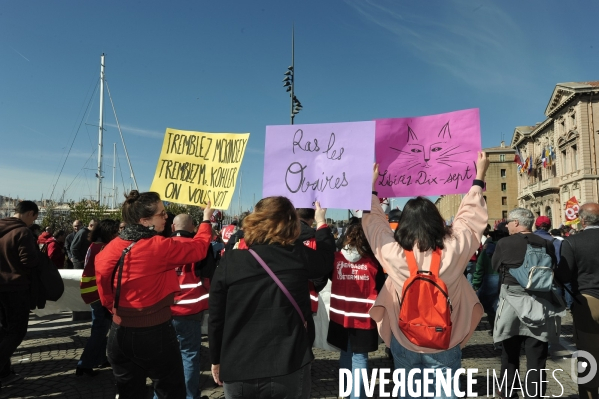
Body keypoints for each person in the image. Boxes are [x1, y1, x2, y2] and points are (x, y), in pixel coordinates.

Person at [362, 152, 490, 399]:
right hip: (444, 338)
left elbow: (374, 225)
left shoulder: (394, 253)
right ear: (437, 221)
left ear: (404, 224)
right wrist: (478, 178)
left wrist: (372, 189)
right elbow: (470, 219)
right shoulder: (454, 248)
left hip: (405, 337)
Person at [209, 197, 335, 398]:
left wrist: (216, 358)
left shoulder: (230, 261)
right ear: (291, 224)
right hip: (288, 364)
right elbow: (326, 260)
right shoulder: (297, 255)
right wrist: (321, 223)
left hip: (238, 365)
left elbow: (216, 318)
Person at [95, 191, 214, 399]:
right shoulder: (157, 246)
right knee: (171, 391)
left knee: (129, 393)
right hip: (154, 331)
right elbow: (199, 249)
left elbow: (105, 294)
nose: (166, 217)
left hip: (118, 331)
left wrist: (118, 312)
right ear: (144, 221)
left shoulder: (109, 249)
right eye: (162, 213)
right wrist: (205, 220)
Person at [492, 208, 566, 399]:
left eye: (509, 222)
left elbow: (495, 266)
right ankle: (534, 394)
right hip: (540, 302)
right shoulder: (546, 243)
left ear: (516, 223)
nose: (507, 225)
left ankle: (508, 391)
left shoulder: (504, 243)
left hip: (511, 301)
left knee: (509, 352)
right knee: (537, 354)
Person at [327, 220, 384, 399]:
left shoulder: (335, 259)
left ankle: (346, 393)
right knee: (360, 358)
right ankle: (357, 396)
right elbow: (382, 288)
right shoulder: (374, 262)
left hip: (340, 317)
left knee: (345, 354)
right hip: (363, 319)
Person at [162, 213, 212, 399]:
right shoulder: (197, 247)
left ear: (173, 228)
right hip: (190, 310)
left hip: (165, 311)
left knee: (165, 356)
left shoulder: (162, 245)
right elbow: (209, 274)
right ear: (192, 228)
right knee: (190, 354)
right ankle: (190, 396)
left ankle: (162, 395)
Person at [556, 203, 599, 399]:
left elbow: (564, 275)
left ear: (582, 221)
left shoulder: (573, 242)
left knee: (588, 354)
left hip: (588, 299)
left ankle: (589, 394)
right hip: (588, 297)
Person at [0, 200, 40, 388]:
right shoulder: (22, 232)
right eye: (34, 218)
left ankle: (5, 373)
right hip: (15, 288)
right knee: (16, 331)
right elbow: (29, 262)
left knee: (3, 331)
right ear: (30, 213)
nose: (33, 222)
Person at [77, 219, 119, 377]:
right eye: (115, 231)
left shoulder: (94, 245)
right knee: (100, 329)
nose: (117, 234)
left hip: (90, 290)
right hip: (98, 291)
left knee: (100, 327)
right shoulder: (103, 248)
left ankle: (100, 358)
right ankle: (84, 364)